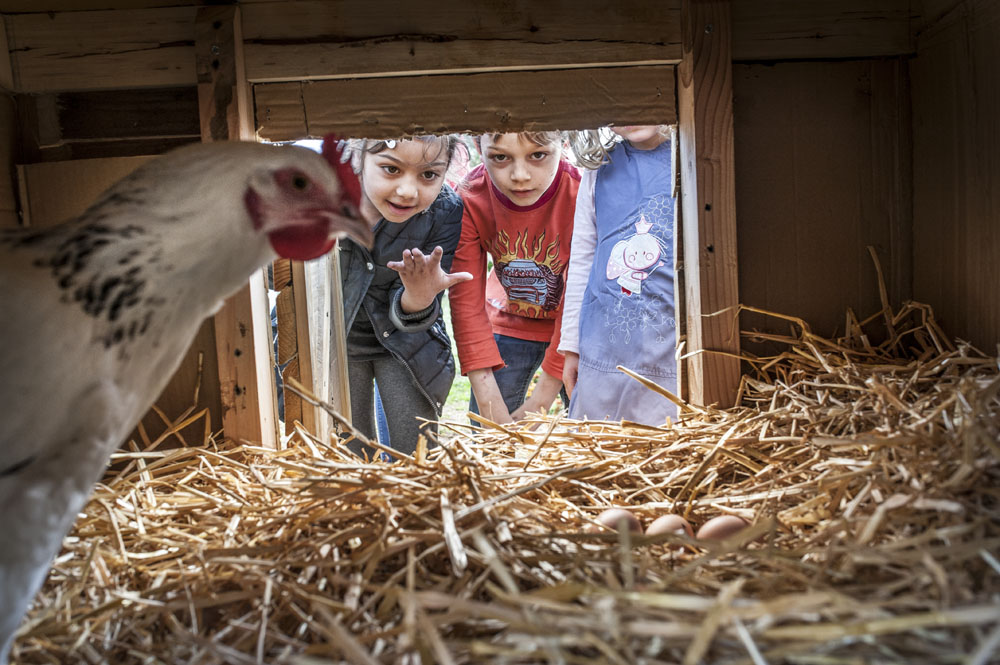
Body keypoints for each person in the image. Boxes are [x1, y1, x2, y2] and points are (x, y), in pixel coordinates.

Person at [323, 134, 471, 458]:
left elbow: (421, 305)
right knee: (349, 457)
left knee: (416, 453)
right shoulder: (325, 198)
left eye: (429, 175)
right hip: (338, 343)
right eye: (391, 169)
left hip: (407, 345)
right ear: (358, 155)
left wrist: (418, 297)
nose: (407, 191)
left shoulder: (444, 210)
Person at [449, 131, 580, 424]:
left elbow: (579, 298)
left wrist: (543, 398)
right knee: (487, 433)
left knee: (588, 427)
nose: (519, 175)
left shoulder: (581, 193)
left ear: (565, 143)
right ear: (477, 147)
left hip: (574, 331)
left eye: (538, 155)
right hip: (508, 323)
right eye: (500, 157)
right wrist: (488, 401)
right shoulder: (470, 195)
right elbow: (465, 299)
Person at [559, 125, 679, 425]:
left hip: (668, 351)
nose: (631, 113)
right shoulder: (599, 168)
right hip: (604, 350)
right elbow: (583, 259)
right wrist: (572, 347)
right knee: (601, 448)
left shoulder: (690, 158)